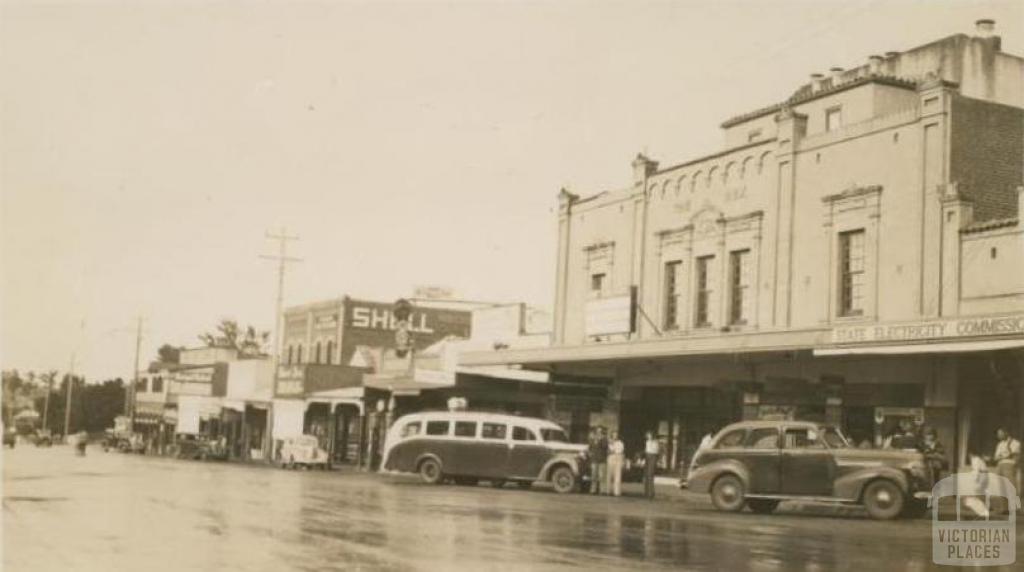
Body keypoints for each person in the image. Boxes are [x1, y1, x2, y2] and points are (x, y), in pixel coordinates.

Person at [992, 428, 1020, 515]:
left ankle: (1015, 509)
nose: (999, 435)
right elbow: (996, 457)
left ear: (1006, 432)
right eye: (998, 434)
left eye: (1001, 433)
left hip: (1009, 465)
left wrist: (1004, 456)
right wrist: (1006, 455)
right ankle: (1004, 508)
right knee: (1002, 487)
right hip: (1000, 465)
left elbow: (1015, 456)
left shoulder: (1015, 443)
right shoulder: (999, 444)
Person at [588, 427, 608, 495]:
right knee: (593, 475)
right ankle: (593, 490)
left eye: (600, 431)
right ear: (596, 432)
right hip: (594, 459)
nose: (599, 433)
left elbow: (605, 447)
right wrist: (591, 454)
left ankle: (602, 490)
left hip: (602, 460)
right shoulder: (593, 439)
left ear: (602, 432)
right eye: (597, 431)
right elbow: (590, 448)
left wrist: (601, 440)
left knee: (601, 476)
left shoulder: (604, 439)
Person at [607, 430, 625, 497]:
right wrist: (612, 447)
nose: (615, 436)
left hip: (618, 457)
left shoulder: (620, 443)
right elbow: (609, 451)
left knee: (618, 475)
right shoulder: (609, 442)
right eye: (614, 435)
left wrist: (613, 449)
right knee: (609, 475)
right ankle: (608, 491)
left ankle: (616, 492)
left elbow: (620, 451)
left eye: (616, 435)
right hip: (611, 458)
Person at [644, 431, 660, 500]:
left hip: (652, 457)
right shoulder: (647, 442)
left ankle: (651, 493)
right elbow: (646, 450)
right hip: (647, 457)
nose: (648, 436)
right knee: (646, 475)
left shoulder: (655, 442)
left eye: (649, 435)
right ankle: (646, 492)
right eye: (647, 435)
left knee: (650, 475)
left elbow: (656, 451)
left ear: (652, 435)